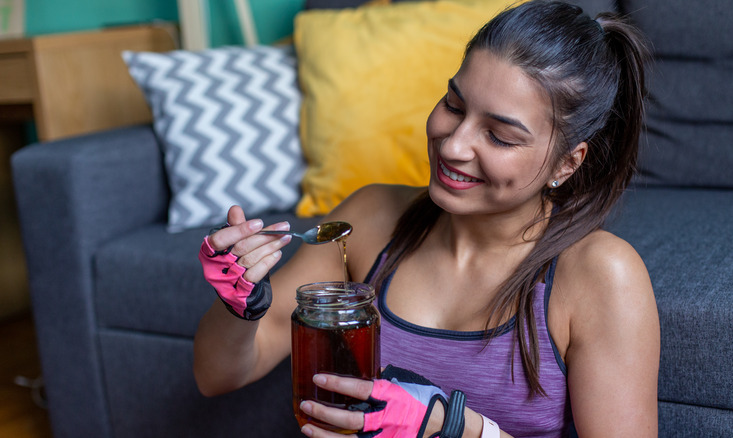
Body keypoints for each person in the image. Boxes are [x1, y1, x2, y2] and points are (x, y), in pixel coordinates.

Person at [193, 0, 660, 436]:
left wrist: (454, 427)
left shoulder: (602, 276)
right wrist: (240, 304)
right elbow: (217, 377)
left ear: (566, 163)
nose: (453, 145)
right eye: (454, 106)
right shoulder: (368, 219)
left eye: (498, 136)